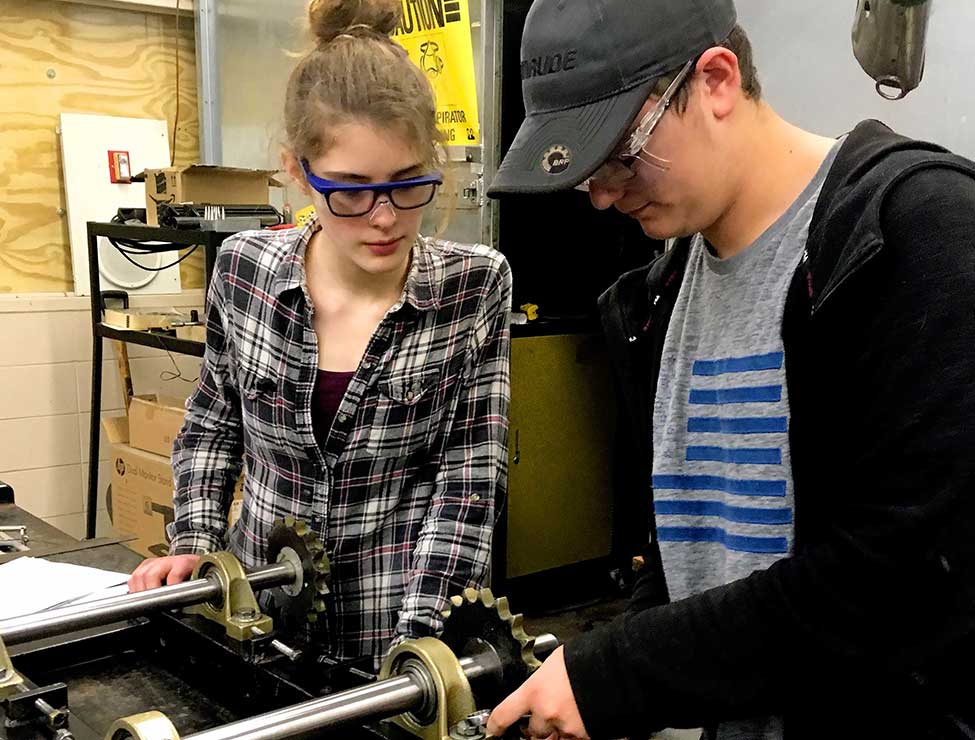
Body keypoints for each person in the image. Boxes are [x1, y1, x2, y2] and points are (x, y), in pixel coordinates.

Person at [485, 0, 975, 738]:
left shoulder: (920, 236)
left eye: (620, 152)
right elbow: (691, 547)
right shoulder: (656, 297)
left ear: (715, 81)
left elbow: (899, 581)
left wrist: (617, 672)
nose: (603, 194)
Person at [128, 0, 512, 669]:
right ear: (299, 170)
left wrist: (416, 647)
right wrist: (192, 538)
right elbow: (213, 424)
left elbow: (468, 483)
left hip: (391, 640)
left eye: (408, 183)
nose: (385, 217)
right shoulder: (244, 271)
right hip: (256, 627)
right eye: (353, 191)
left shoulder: (473, 287)